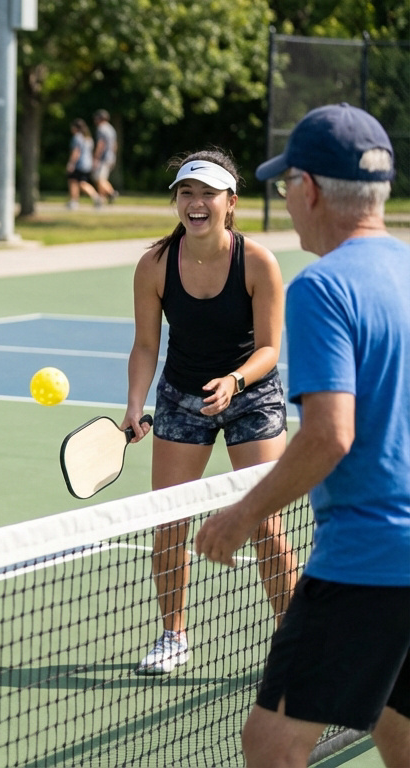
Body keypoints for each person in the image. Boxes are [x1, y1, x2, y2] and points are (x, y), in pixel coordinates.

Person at [196, 104, 410, 767]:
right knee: (398, 724)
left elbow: (328, 437)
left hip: (365, 564)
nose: (285, 201)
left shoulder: (324, 287)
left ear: (310, 189)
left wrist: (242, 515)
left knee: (272, 745)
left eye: (287, 184)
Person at [125, 149, 297, 676]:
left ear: (230, 203)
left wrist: (235, 380)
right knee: (169, 523)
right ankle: (173, 636)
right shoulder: (155, 264)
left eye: (207, 194)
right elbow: (146, 345)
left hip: (252, 394)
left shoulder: (257, 261)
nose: (195, 203)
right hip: (182, 396)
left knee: (265, 524)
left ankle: (295, 641)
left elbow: (269, 348)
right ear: (177, 201)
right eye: (186, 193)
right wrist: (135, 402)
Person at [65, 118, 100, 210]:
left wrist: (71, 163)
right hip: (87, 163)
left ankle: (74, 202)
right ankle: (96, 197)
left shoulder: (77, 137)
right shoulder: (88, 138)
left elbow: (76, 152)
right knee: (82, 183)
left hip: (79, 163)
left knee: (73, 181)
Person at [92, 110, 118, 203]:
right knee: (102, 178)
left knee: (99, 178)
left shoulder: (101, 128)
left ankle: (111, 193)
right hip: (111, 157)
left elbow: (101, 144)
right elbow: (115, 145)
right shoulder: (111, 129)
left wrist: (96, 157)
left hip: (103, 158)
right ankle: (102, 198)